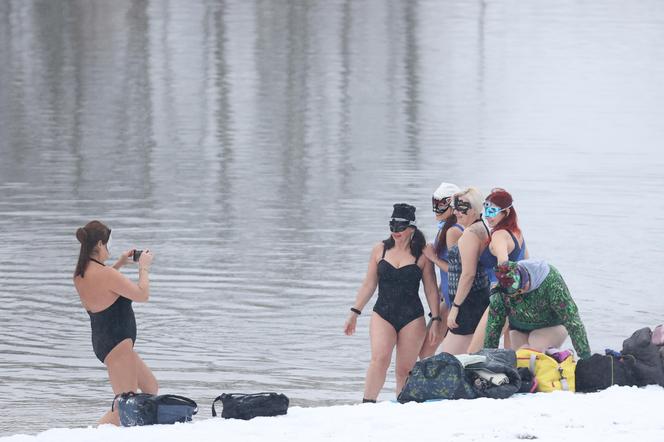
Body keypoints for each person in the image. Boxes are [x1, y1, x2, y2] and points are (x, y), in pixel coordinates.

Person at [344, 204, 441, 402]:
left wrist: (436, 318)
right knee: (379, 359)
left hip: (412, 317)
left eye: (400, 227)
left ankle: (403, 407)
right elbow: (369, 283)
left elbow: (430, 288)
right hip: (383, 313)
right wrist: (354, 312)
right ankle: (367, 404)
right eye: (392, 226)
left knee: (404, 369)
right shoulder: (380, 249)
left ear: (411, 228)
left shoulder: (422, 254)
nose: (395, 231)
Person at [73, 220, 157, 425]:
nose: (108, 249)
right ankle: (91, 436)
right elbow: (142, 294)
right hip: (118, 345)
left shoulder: (81, 274)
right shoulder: (106, 274)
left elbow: (102, 285)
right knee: (123, 408)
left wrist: (119, 264)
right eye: (107, 244)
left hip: (106, 342)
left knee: (150, 388)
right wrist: (143, 268)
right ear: (100, 245)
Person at [483, 260, 591, 359]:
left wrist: (586, 357)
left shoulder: (552, 282)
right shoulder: (500, 293)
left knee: (535, 349)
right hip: (519, 328)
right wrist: (488, 358)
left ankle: (560, 358)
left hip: (553, 326)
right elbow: (493, 327)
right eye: (514, 294)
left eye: (522, 289)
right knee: (521, 357)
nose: (519, 294)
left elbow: (572, 320)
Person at [467, 188, 529, 352]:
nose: (487, 215)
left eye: (492, 211)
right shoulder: (518, 233)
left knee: (474, 353)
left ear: (506, 212)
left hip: (502, 298)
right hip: (519, 299)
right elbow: (526, 263)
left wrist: (498, 290)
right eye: (485, 210)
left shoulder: (499, 235)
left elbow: (503, 262)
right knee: (511, 357)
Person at [440, 187, 491, 354]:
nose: (456, 212)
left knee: (448, 359)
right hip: (478, 297)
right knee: (469, 358)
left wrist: (455, 307)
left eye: (462, 208)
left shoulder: (470, 234)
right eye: (455, 208)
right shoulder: (481, 227)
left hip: (468, 303)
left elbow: (468, 274)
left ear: (475, 209)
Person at [419, 182, 462, 358]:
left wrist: (433, 258)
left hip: (459, 301)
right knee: (425, 350)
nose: (436, 209)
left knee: (433, 352)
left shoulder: (453, 231)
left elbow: (458, 271)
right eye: (434, 203)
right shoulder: (443, 228)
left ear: (452, 206)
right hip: (448, 297)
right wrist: (438, 290)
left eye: (441, 204)